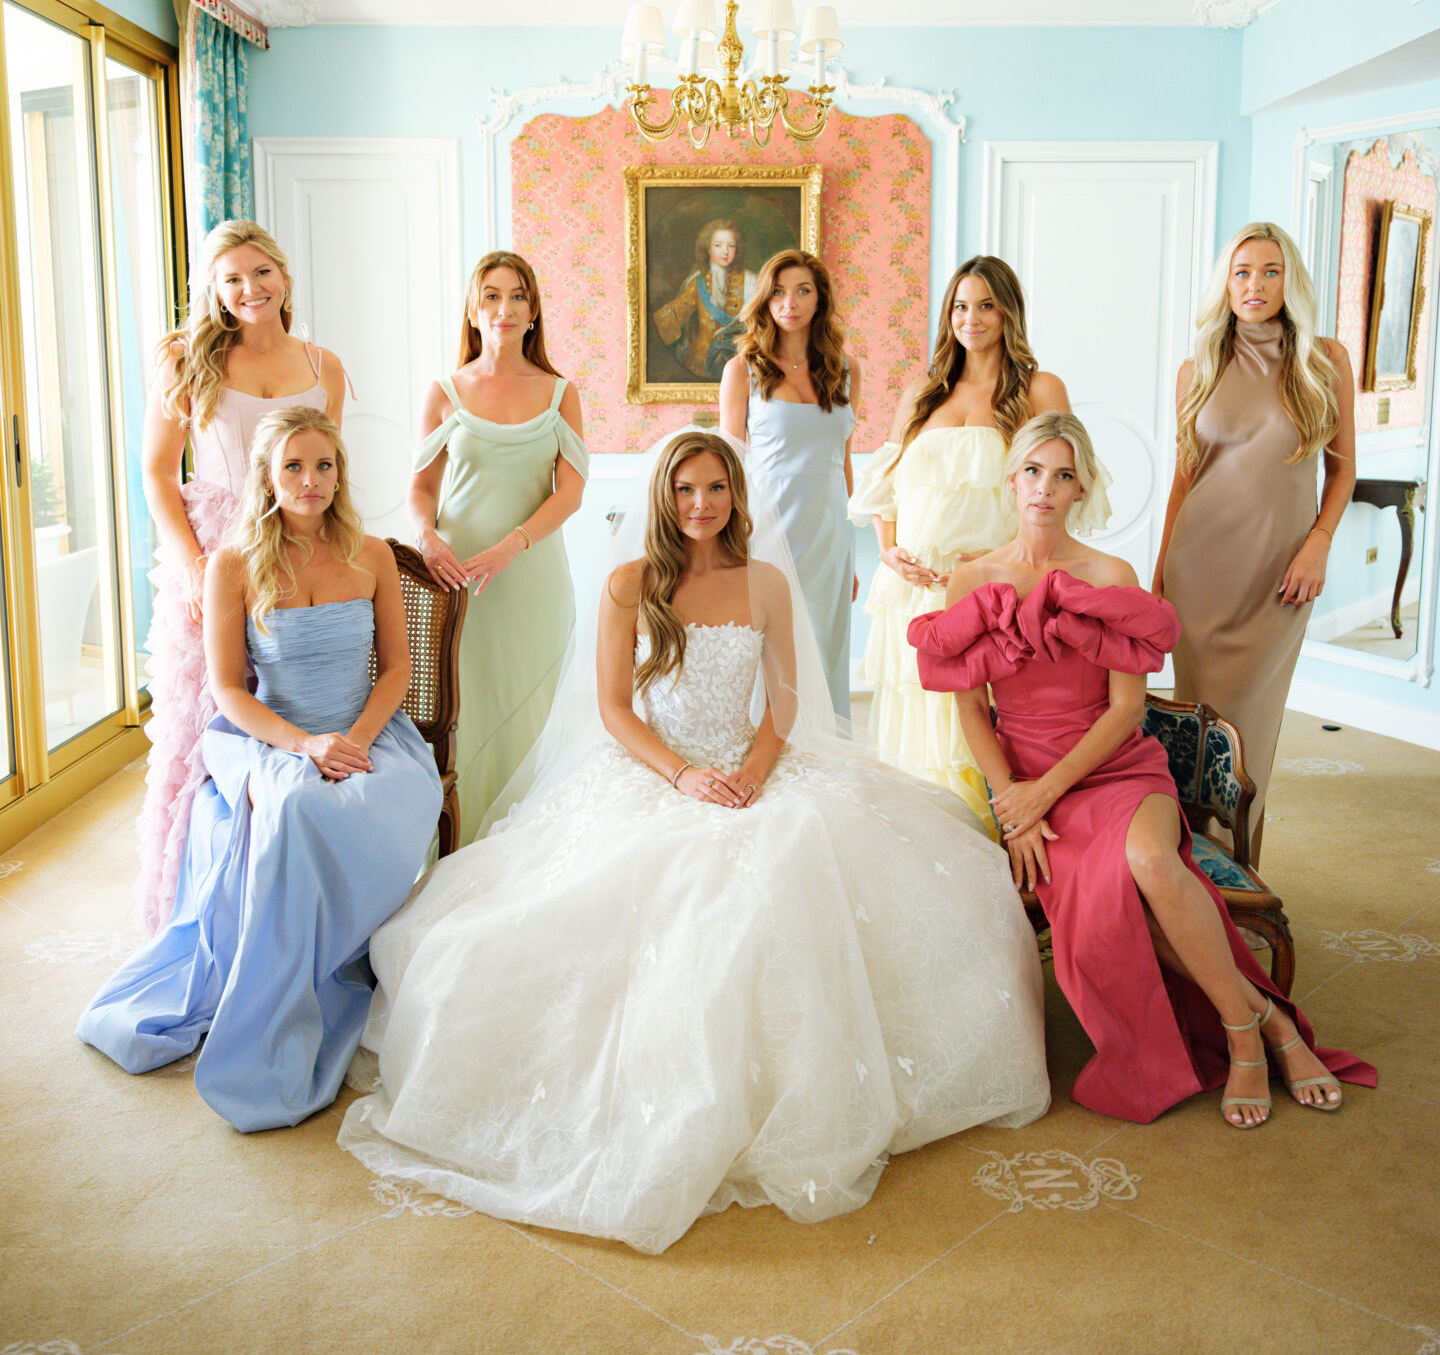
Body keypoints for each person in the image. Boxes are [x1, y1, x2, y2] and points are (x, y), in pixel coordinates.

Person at [338, 430, 1049, 1254]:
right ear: (663, 498)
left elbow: (781, 703)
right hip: (654, 769)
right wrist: (681, 777)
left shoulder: (767, 583)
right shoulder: (628, 584)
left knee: (808, 860)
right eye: (685, 490)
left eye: (716, 488)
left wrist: (750, 772)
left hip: (750, 767)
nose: (701, 505)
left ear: (736, 495)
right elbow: (614, 710)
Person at [910, 412, 1374, 1129]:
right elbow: (972, 713)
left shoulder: (1110, 576)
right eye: (1034, 471)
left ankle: (1244, 1040)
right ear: (1010, 481)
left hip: (1115, 769)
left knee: (1153, 865)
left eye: (1063, 475)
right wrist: (1014, 805)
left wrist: (1045, 793)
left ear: (1081, 490)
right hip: (1028, 786)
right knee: (1120, 896)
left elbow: (1127, 709)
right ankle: (1270, 1023)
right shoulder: (970, 580)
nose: (1045, 487)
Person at [79, 408, 440, 1132]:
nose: (311, 481)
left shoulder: (371, 554)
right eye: (294, 467)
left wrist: (358, 739)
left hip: (370, 730)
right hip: (267, 734)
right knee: (301, 808)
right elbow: (229, 690)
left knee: (371, 800)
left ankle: (353, 963)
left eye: (324, 466)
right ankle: (289, 994)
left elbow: (397, 669)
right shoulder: (234, 564)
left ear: (340, 474)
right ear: (268, 477)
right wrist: (306, 746)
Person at [134, 218, 347, 935]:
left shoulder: (324, 365)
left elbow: (328, 471)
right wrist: (194, 567)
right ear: (214, 292)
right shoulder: (186, 361)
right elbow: (159, 474)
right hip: (216, 551)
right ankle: (199, 912)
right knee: (207, 728)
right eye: (231, 279)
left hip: (297, 554)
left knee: (287, 715)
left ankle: (287, 904)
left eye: (260, 273)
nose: (249, 289)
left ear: (284, 277)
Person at [849, 255, 1098, 828]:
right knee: (920, 728)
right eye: (961, 306)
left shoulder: (1039, 388)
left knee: (984, 724)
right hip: (913, 591)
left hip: (992, 586)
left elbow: (1061, 485)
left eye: (986, 304)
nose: (972, 318)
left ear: (1009, 312)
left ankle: (1000, 846)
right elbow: (884, 488)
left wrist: (1000, 554)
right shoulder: (921, 394)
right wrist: (888, 548)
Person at [1155, 222, 1356, 857]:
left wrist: (1319, 541)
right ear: (1226, 284)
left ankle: (1241, 866)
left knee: (1250, 734)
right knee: (1197, 729)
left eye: (1270, 271)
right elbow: (1184, 482)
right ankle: (1195, 876)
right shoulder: (1199, 367)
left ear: (1289, 279)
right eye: (1242, 272)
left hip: (1278, 577)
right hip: (1199, 575)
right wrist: (1159, 578)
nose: (1255, 285)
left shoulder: (1326, 359)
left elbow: (1343, 466)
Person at [409, 251, 588, 842]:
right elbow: (421, 487)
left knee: (533, 718)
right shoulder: (444, 392)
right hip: (458, 583)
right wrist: (427, 536)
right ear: (472, 308)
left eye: (517, 296)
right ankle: (458, 851)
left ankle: (532, 855)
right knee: (464, 717)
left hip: (532, 584)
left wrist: (514, 546)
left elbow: (571, 493)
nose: (504, 308)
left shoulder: (560, 393)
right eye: (491, 295)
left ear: (533, 311)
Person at [719, 250, 859, 718]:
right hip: (771, 528)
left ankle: (824, 758)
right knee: (772, 646)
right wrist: (729, 543)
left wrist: (852, 549)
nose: (790, 303)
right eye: (778, 291)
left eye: (803, 291)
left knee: (826, 645)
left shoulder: (845, 370)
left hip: (831, 535)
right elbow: (729, 467)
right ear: (765, 299)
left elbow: (842, 461)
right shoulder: (743, 370)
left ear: (819, 300)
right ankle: (765, 753)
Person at [652, 218, 756, 379]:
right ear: (707, 248)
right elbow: (674, 314)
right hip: (700, 361)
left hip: (739, 361)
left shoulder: (752, 282)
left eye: (731, 246)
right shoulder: (697, 282)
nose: (725, 252)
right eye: (718, 245)